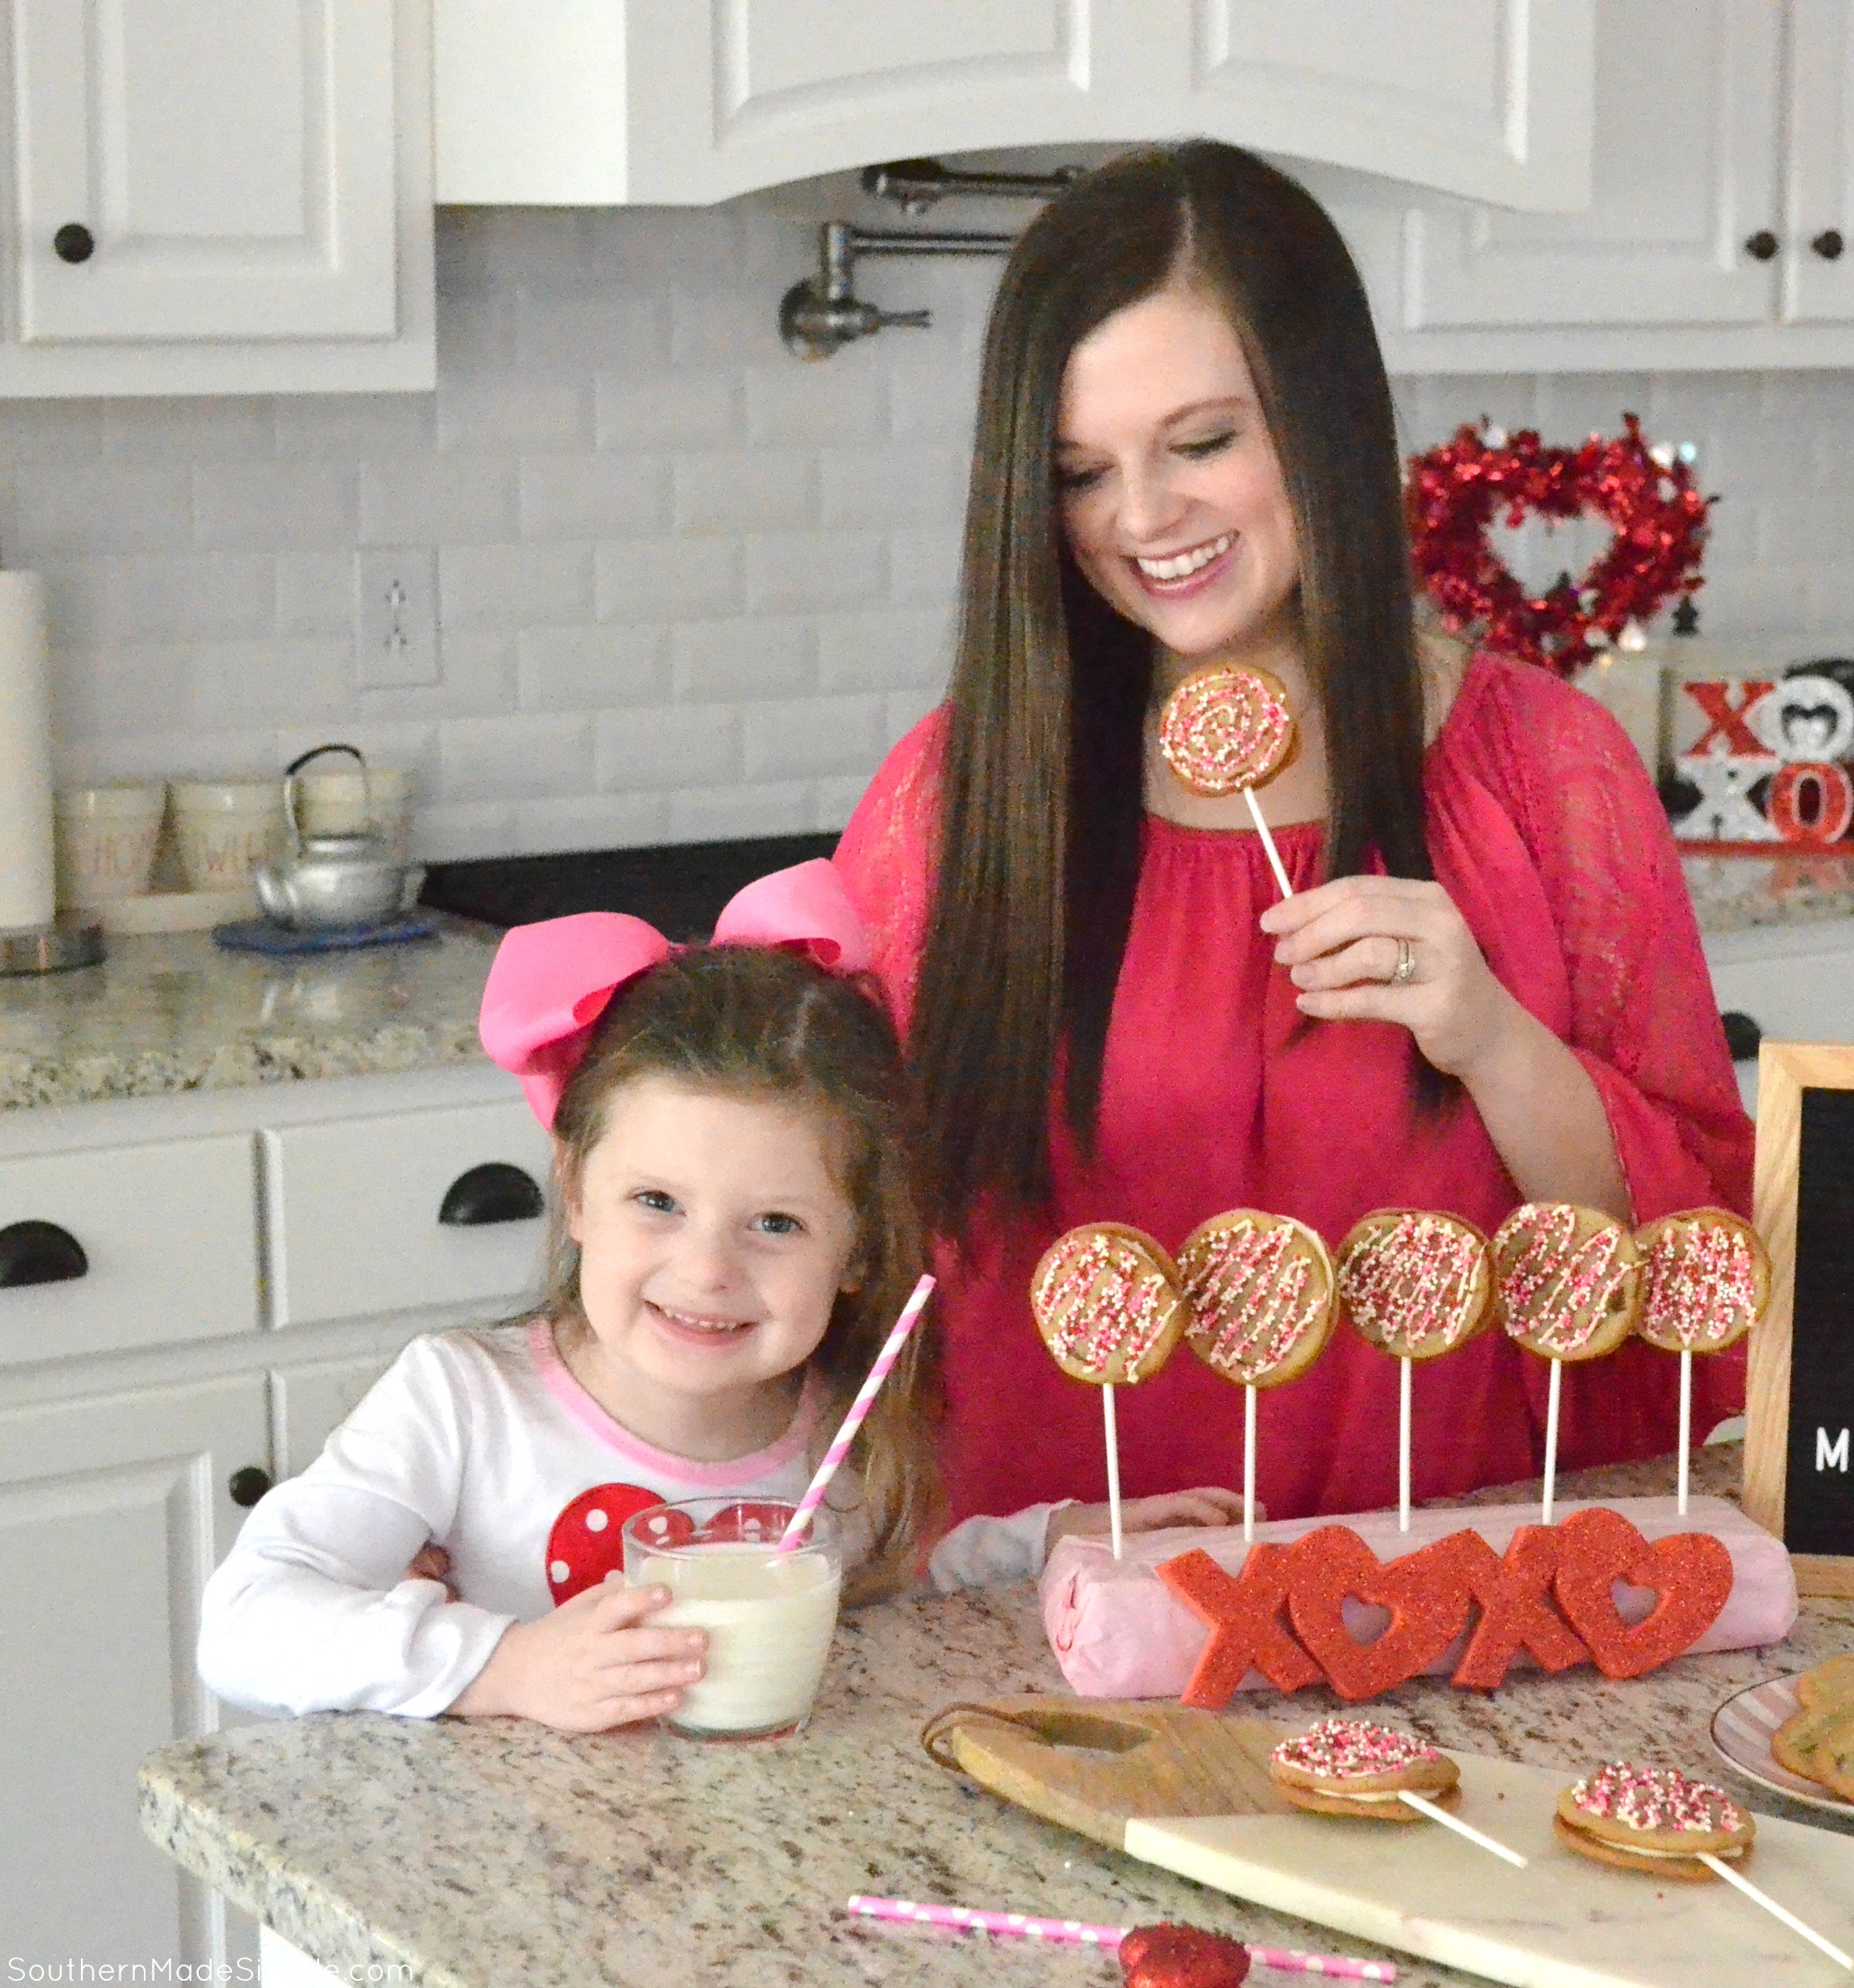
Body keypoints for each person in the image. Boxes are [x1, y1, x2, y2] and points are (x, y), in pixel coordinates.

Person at [834, 142, 1752, 1529]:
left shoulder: (1545, 771)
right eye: (1082, 471)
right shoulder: (960, 797)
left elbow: (1690, 1257)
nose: (1142, 519)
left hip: (1449, 1596)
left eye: (1202, 443)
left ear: (1322, 424)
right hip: (1055, 1623)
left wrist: (1492, 1041)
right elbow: (821, 1226)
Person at [198, 863, 1240, 1734]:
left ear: (858, 1249)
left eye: (775, 1224)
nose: (706, 1271)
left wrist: (1048, 1538)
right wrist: (504, 1666)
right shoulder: (460, 1404)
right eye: (657, 1201)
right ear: (574, 1191)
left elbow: (886, 1584)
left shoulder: (836, 1427)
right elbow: (243, 1623)